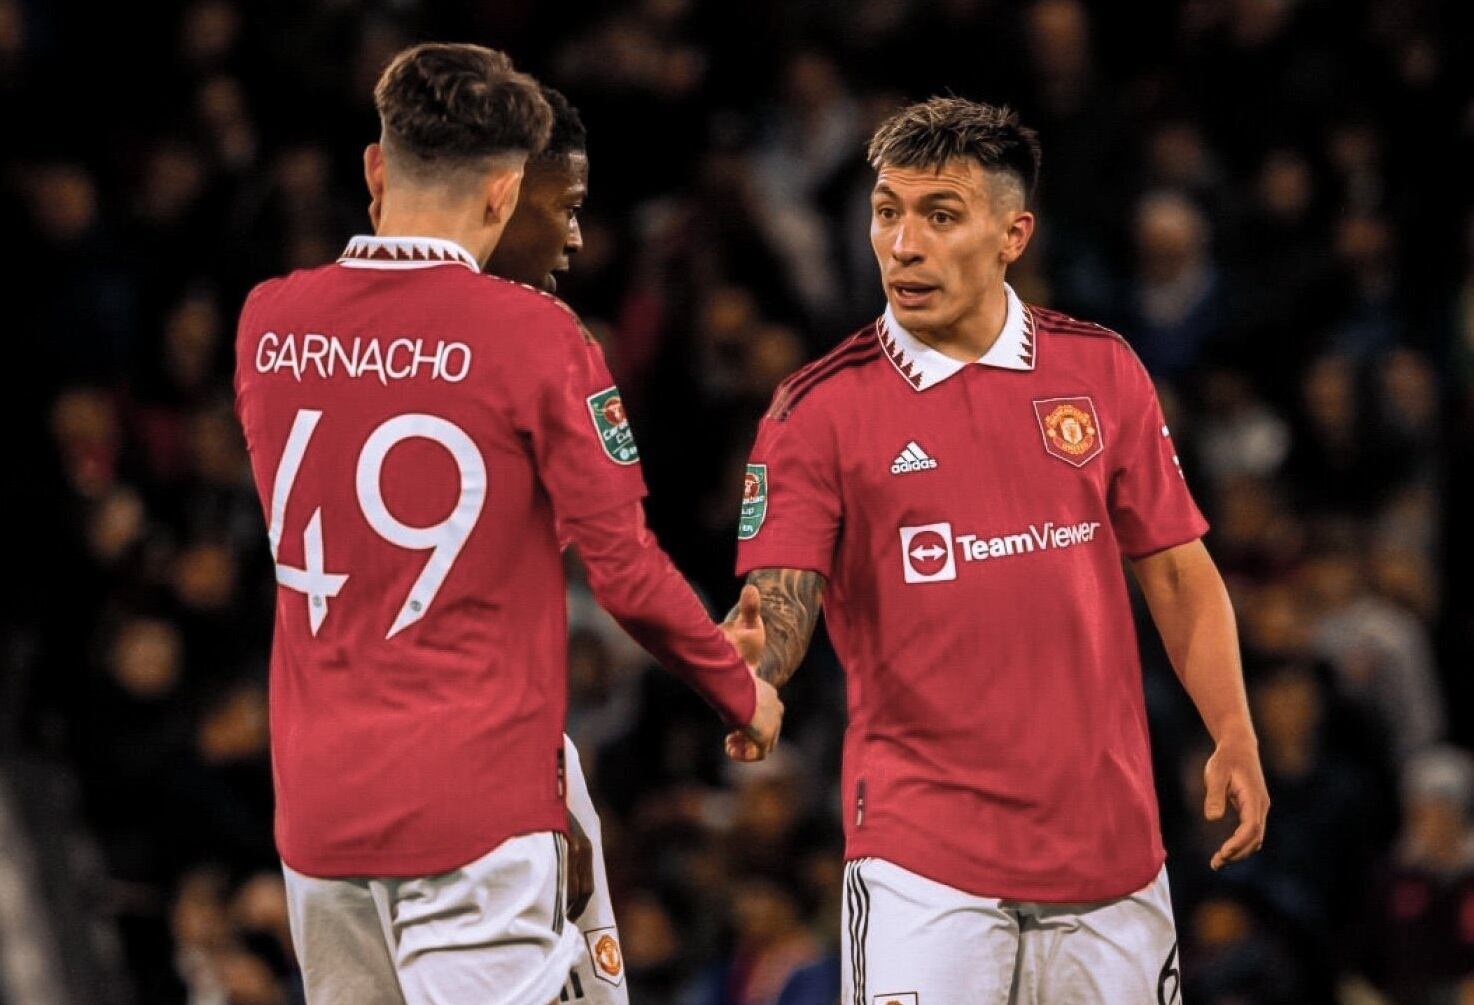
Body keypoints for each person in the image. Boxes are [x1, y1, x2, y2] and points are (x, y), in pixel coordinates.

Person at [233, 43, 781, 1004]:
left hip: (318, 820)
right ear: (502, 197)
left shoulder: (268, 322)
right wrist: (737, 684)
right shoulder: (539, 338)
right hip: (469, 810)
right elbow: (624, 571)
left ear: (375, 167)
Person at [730, 97, 1269, 1004]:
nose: (903, 244)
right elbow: (777, 606)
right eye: (887, 211)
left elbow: (1178, 572)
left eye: (940, 216)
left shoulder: (1101, 370)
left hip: (1111, 853)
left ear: (1013, 233)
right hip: (922, 862)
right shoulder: (816, 409)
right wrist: (750, 667)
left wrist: (1235, 727)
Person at [484, 83, 627, 1005]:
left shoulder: (340, 332)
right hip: (487, 770)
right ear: (501, 191)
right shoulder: (538, 347)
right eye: (564, 208)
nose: (577, 238)